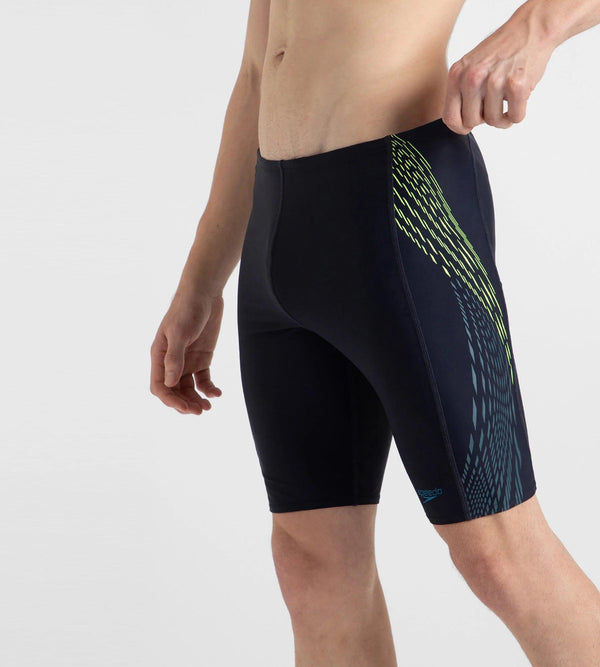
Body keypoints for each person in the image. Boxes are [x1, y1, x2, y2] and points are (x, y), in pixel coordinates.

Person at [150, 0, 600, 663]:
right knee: (310, 564)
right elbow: (257, 69)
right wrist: (200, 281)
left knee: (497, 554)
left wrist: (534, 28)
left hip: (402, 203)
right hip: (277, 228)